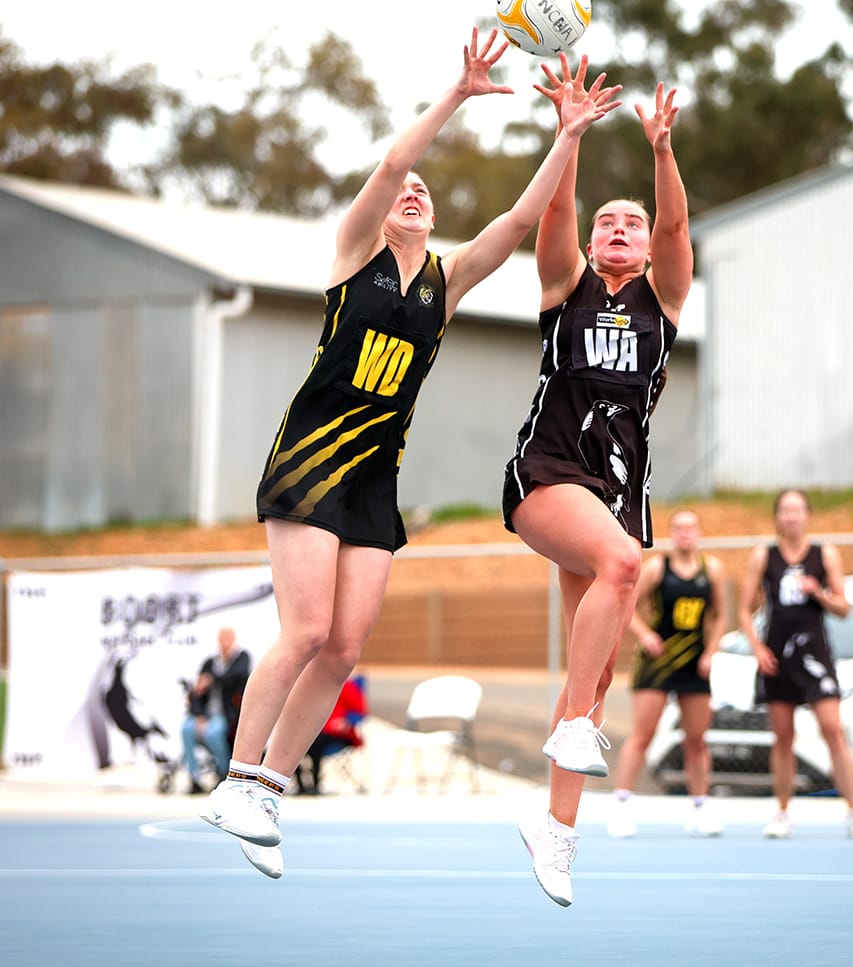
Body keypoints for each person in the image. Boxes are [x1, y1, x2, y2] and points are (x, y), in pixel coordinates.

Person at [198, 28, 622, 880]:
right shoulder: (355, 256)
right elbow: (393, 165)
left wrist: (566, 136)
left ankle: (270, 785)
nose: (416, 194)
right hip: (310, 461)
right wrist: (458, 96)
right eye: (408, 193)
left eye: (428, 193)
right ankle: (235, 779)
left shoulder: (446, 279)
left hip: (374, 478)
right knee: (307, 627)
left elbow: (517, 221)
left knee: (346, 647)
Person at [504, 54, 694, 906]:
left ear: (649, 245)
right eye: (607, 220)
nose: (618, 226)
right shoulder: (564, 286)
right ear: (589, 241)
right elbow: (553, 209)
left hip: (619, 493)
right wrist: (570, 134)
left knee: (600, 669)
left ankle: (557, 830)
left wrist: (660, 150)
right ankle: (576, 728)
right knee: (624, 567)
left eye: (633, 221)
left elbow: (681, 230)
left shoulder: (662, 304)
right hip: (547, 472)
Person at [736, 488, 853, 840]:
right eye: (785, 510)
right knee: (783, 736)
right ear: (777, 516)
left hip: (814, 653)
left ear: (807, 515)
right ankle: (782, 811)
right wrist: (757, 648)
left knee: (833, 728)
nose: (791, 516)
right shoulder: (763, 556)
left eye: (797, 510)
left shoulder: (823, 554)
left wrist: (819, 592)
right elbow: (743, 609)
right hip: (777, 654)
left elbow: (844, 608)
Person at [606, 509, 728, 839]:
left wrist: (711, 651)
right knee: (642, 735)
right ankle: (620, 805)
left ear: (699, 532)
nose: (685, 533)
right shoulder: (658, 567)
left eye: (690, 527)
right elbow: (627, 606)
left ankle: (700, 807)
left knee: (696, 739)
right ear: (672, 533)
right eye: (679, 528)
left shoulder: (711, 570)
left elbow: (719, 616)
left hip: (694, 662)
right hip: (657, 662)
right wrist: (645, 635)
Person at [179, 626, 251, 793]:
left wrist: (211, 679)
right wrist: (199, 715)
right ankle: (194, 776)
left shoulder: (241, 658)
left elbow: (237, 676)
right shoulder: (209, 663)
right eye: (221, 638)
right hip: (206, 714)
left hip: (225, 714)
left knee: (213, 734)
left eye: (227, 638)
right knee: (187, 730)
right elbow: (197, 692)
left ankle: (224, 771)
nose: (224, 642)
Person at [293, 676, 367, 796]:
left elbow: (359, 712)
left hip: (338, 734)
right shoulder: (309, 686)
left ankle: (315, 783)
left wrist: (346, 722)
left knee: (316, 742)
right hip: (313, 731)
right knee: (293, 743)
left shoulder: (348, 686)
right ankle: (301, 784)